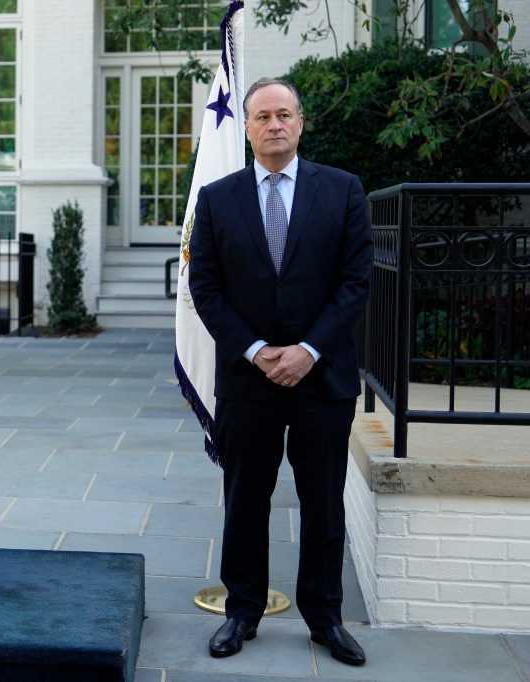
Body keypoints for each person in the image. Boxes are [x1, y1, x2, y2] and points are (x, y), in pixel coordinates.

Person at [188, 77, 373, 666]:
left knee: (322, 501)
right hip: (249, 379)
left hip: (322, 377)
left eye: (284, 114)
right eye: (262, 115)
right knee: (246, 498)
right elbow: (206, 288)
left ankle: (325, 619)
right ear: (245, 127)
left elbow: (355, 281)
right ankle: (242, 610)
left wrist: (307, 351)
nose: (274, 124)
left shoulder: (343, 191)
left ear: (301, 123)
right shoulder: (217, 199)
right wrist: (257, 350)